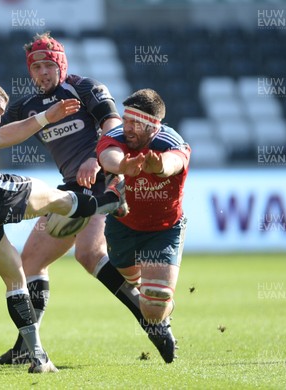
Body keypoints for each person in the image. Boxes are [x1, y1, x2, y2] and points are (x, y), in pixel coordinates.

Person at [0, 31, 176, 365]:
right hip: (72, 190)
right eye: (36, 67)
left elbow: (115, 125)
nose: (42, 73)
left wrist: (96, 156)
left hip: (105, 180)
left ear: (61, 65)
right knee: (30, 262)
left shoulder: (85, 87)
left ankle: (152, 320)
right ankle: (24, 348)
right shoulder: (30, 106)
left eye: (48, 65)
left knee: (88, 254)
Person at [0, 79, 124, 373]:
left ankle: (38, 357)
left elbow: (4, 135)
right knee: (50, 194)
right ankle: (103, 204)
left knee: (16, 279)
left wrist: (45, 118)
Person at [97, 88, 190, 360]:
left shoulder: (172, 142)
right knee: (130, 281)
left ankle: (161, 317)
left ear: (153, 127)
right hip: (123, 226)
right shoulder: (115, 137)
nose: (126, 127)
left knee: (153, 305)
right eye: (125, 120)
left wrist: (158, 167)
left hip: (164, 229)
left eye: (135, 123)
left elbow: (174, 163)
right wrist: (125, 166)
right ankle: (152, 299)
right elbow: (108, 157)